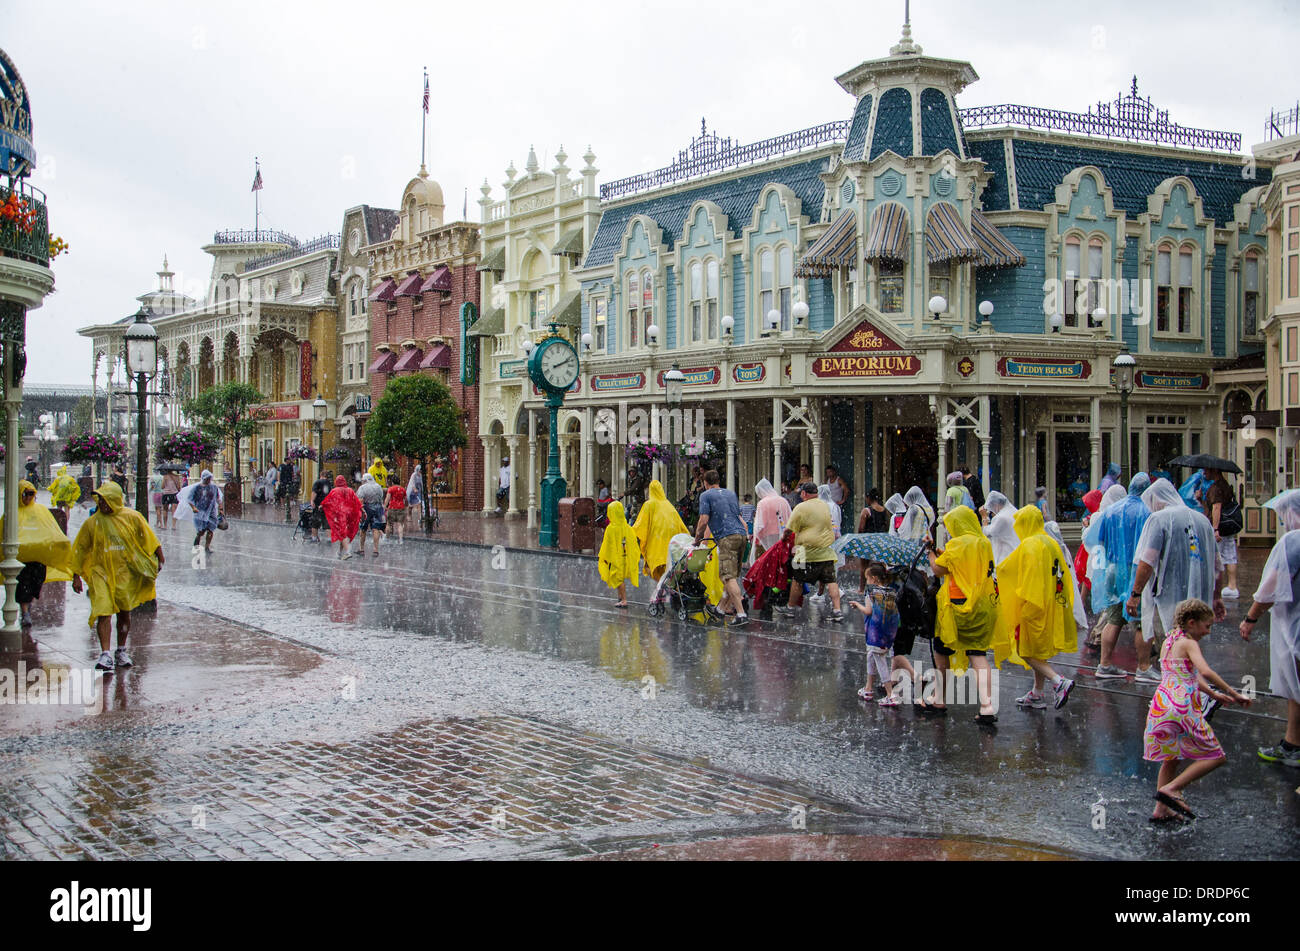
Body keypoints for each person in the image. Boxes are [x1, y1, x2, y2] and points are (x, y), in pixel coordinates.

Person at [1146, 598, 1251, 821]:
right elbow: (1205, 671)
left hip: (1161, 705)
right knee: (1216, 756)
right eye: (1207, 626)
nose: (1208, 632)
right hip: (1183, 707)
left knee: (1171, 757)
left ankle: (1161, 810)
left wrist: (1213, 694)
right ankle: (1172, 789)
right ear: (1191, 623)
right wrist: (1234, 693)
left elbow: (1186, 674)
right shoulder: (1189, 643)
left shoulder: (1169, 640)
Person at [1124, 479, 1224, 686]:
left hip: (1168, 596)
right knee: (1190, 645)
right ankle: (1192, 689)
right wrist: (1216, 597)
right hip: (1198, 596)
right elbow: (1217, 565)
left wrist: (1135, 594)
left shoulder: (1159, 519)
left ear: (1158, 500)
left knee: (1171, 644)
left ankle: (1178, 692)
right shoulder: (1203, 521)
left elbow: (1147, 560)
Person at [70, 482, 164, 672]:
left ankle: (121, 650)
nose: (102, 503)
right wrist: (76, 576)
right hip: (100, 573)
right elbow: (80, 548)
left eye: (106, 499)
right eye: (100, 499)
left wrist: (160, 558)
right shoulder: (92, 522)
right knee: (103, 611)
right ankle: (105, 653)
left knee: (124, 612)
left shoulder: (132, 517)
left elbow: (149, 538)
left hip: (124, 573)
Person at [926, 506, 1007, 722]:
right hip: (984, 605)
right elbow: (966, 566)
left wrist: (931, 553)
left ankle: (939, 698)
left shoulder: (957, 543)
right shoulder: (982, 542)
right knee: (978, 656)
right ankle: (987, 705)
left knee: (942, 651)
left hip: (957, 607)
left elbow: (939, 569)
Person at [1238, 489, 1300, 769]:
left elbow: (1270, 586)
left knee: (1296, 684)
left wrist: (1250, 618)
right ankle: (1291, 743)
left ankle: (1292, 746)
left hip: (1295, 626)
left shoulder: (1292, 543)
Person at [997, 504, 1076, 710]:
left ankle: (1058, 682)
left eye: (1020, 523)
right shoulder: (1049, 541)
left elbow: (1014, 572)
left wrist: (1024, 605)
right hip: (1052, 603)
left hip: (1035, 604)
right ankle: (1037, 693)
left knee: (1026, 650)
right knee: (1038, 650)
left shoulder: (1030, 544)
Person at [1088, 473, 1153, 680]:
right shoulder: (1146, 512)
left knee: (1114, 618)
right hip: (1134, 571)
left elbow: (1096, 540)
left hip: (1112, 569)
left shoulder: (1111, 511)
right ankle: (1143, 667)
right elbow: (1149, 548)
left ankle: (1105, 664)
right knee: (1142, 620)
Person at [4, 480, 73, 627]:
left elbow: (51, 529)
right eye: (25, 494)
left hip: (38, 558)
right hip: (20, 559)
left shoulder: (40, 510)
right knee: (23, 585)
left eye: (31, 493)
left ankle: (27, 606)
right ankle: (25, 611)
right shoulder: (13, 512)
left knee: (36, 583)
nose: (28, 497)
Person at [777, 482, 843, 623]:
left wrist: (784, 537)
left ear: (804, 494)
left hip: (803, 551)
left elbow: (789, 529)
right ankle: (837, 610)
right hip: (826, 550)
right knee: (831, 580)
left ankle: (790, 608)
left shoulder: (801, 507)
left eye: (801, 492)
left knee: (797, 579)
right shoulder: (825, 505)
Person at [693, 469, 750, 627]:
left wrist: (697, 539)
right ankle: (720, 609)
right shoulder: (730, 494)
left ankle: (741, 614)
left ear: (705, 483)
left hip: (726, 537)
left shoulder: (706, 495)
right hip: (741, 535)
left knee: (727, 577)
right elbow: (739, 517)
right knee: (727, 576)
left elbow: (704, 520)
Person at [850, 561, 901, 706]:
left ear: (873, 578)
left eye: (867, 578)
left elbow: (868, 611)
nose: (866, 581)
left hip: (875, 633)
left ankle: (890, 695)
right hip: (888, 632)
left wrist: (857, 604)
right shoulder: (890, 591)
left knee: (880, 661)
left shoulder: (870, 591)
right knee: (871, 655)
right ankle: (868, 688)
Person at [633, 479, 688, 581]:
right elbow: (681, 526)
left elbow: (640, 525)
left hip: (656, 545)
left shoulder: (649, 505)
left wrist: (630, 534)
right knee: (667, 570)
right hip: (671, 546)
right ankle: (665, 588)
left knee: (650, 568)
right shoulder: (669, 505)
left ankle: (663, 588)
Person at [1201, 468, 1240, 599]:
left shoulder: (1216, 488)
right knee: (1230, 555)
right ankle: (1232, 586)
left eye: (1206, 470)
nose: (1204, 472)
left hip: (1220, 528)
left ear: (1214, 471)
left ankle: (1215, 587)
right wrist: (1201, 500)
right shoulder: (1225, 485)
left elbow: (1216, 508)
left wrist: (1215, 529)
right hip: (1227, 526)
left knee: (1216, 557)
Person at [598, 500, 640, 608]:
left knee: (618, 578)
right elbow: (633, 542)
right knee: (619, 578)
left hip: (615, 558)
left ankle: (624, 600)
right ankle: (620, 598)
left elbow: (607, 545)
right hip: (625, 557)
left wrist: (604, 557)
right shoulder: (627, 527)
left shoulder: (611, 528)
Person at [180, 470, 222, 555]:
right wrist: (194, 508)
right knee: (201, 531)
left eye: (209, 478)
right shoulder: (197, 488)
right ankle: (196, 545)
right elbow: (190, 499)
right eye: (207, 478)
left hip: (211, 511)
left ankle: (207, 547)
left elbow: (218, 498)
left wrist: (221, 508)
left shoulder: (214, 487)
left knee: (211, 529)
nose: (208, 480)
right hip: (200, 512)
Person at [750, 478, 791, 565]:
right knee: (779, 562)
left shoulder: (762, 503)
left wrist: (757, 540)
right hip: (783, 537)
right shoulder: (783, 501)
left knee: (765, 564)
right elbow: (790, 519)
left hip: (765, 538)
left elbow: (759, 525)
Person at [321, 475, 362, 559]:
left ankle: (348, 551)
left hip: (340, 515)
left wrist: (322, 505)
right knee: (345, 533)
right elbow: (357, 502)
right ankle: (339, 552)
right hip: (349, 514)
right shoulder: (350, 490)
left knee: (342, 533)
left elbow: (328, 501)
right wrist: (362, 510)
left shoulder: (335, 490)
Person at [982, 490, 1018, 563]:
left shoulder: (1001, 517)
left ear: (996, 505)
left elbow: (988, 533)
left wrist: (984, 517)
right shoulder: (1014, 511)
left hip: (1005, 556)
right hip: (1015, 552)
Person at [357, 472, 386, 556]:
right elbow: (381, 498)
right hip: (377, 509)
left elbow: (360, 500)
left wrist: (361, 509)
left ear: (365, 480)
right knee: (376, 529)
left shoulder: (363, 488)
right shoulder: (378, 487)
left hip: (366, 509)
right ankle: (375, 550)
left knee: (363, 529)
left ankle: (362, 549)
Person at [309, 470, 331, 542]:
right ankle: (329, 538)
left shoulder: (317, 482)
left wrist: (312, 501)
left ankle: (314, 538)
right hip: (327, 505)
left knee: (315, 522)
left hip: (318, 504)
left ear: (321, 475)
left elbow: (314, 492)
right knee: (327, 522)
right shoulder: (329, 483)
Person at [384, 478, 408, 543]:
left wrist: (384, 506)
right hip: (401, 508)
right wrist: (406, 506)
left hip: (392, 508)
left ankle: (387, 538)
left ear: (392, 482)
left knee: (389, 524)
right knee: (400, 524)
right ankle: (400, 539)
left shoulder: (391, 489)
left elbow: (387, 499)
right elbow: (406, 500)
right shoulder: (403, 489)